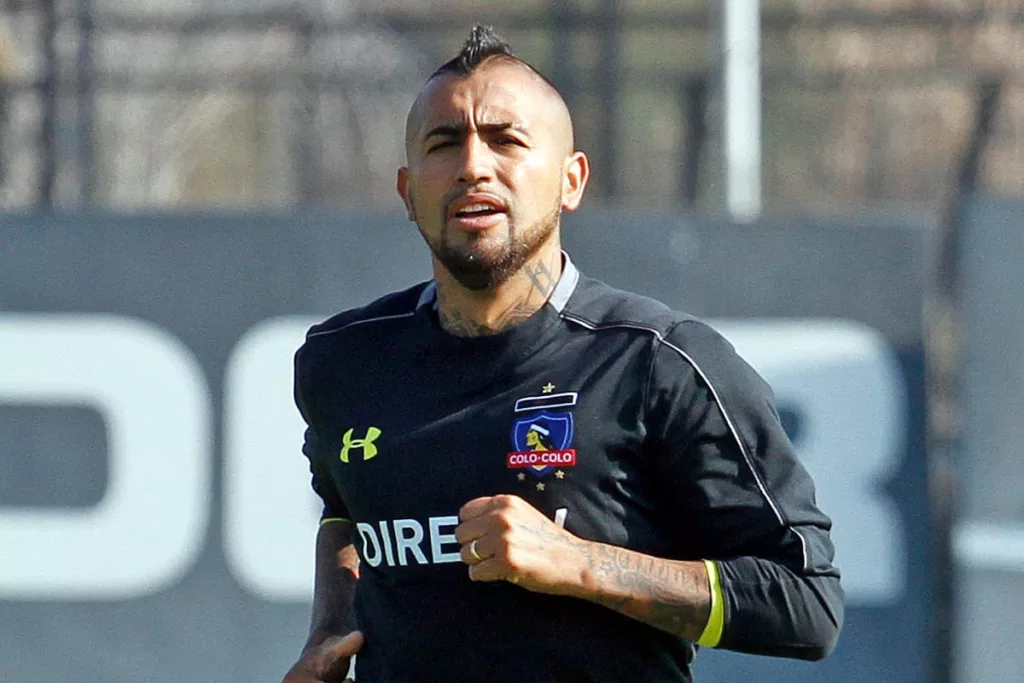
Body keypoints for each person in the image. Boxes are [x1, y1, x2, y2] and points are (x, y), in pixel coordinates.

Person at [282, 24, 843, 683]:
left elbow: (807, 605)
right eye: (444, 142)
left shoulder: (660, 362)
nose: (473, 165)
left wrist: (580, 562)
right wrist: (331, 626)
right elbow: (344, 507)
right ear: (408, 192)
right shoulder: (344, 361)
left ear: (570, 180)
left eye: (506, 139)